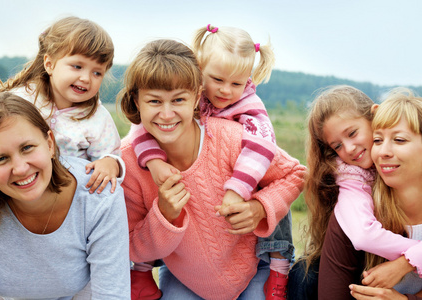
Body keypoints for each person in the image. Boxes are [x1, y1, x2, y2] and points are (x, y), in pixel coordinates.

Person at [119, 39, 306, 300]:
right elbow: (131, 246)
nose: (167, 113)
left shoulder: (230, 137)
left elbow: (295, 174)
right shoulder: (129, 161)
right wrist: (163, 214)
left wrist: (260, 208)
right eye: (154, 101)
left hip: (253, 271)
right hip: (185, 279)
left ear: (197, 95)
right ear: (136, 101)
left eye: (178, 100)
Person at [0, 93, 130, 299]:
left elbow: (112, 294)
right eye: (2, 158)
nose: (21, 169)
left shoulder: (99, 194)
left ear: (50, 143)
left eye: (27, 148)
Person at [288, 86, 422, 299]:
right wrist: (413, 256)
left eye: (352, 133)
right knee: (305, 275)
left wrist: (405, 264)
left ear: (375, 116)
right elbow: (363, 236)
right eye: (337, 146)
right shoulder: (353, 183)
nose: (349, 149)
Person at [0, 16, 124, 195]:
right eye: (77, 66)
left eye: (97, 72)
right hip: (20, 185)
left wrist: (110, 162)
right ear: (49, 64)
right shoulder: (22, 100)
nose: (86, 78)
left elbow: (110, 154)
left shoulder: (97, 117)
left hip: (71, 197)